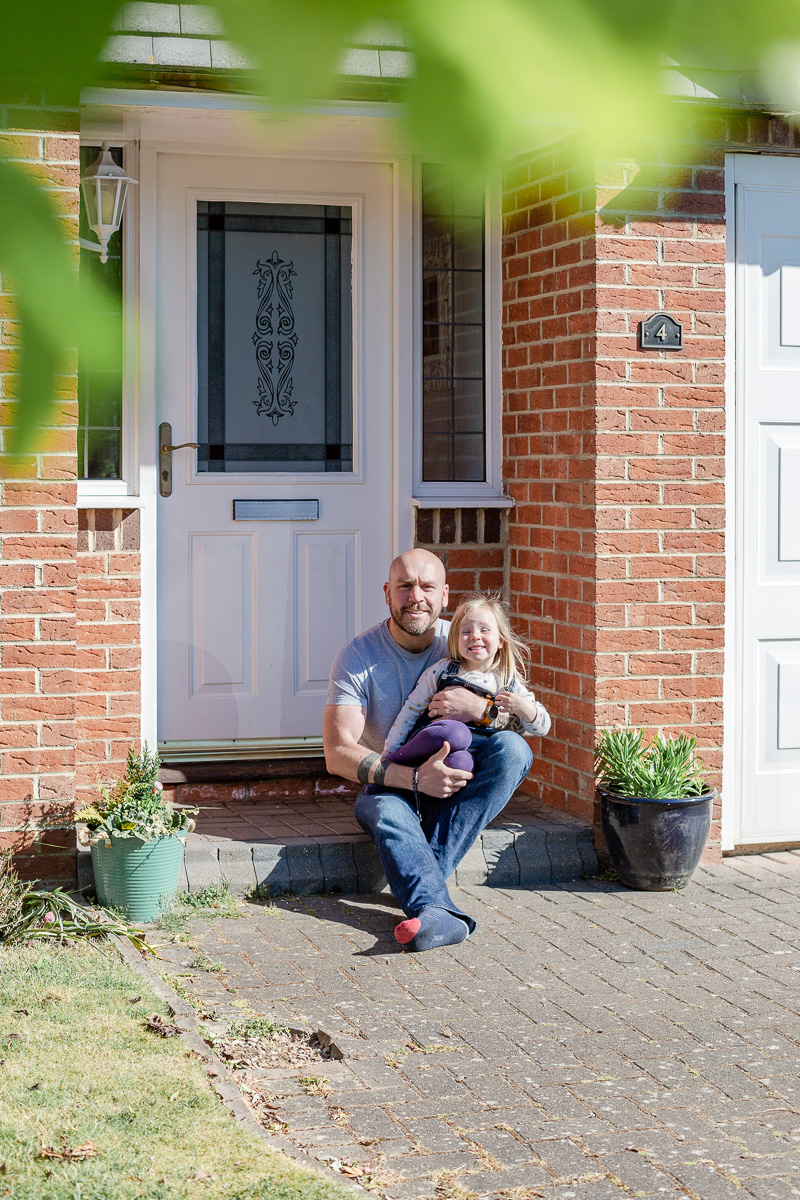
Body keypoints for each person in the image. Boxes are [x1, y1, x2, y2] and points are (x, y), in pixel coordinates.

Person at [324, 549, 546, 953]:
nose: (416, 597)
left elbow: (526, 720)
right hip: (391, 786)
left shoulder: (467, 638)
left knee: (513, 749)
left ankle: (425, 887)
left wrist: (483, 709)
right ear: (388, 593)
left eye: (427, 586)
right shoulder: (358, 658)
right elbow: (338, 751)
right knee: (387, 812)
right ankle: (436, 910)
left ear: (445, 595)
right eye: (405, 586)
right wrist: (412, 778)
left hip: (455, 783)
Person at [381, 592, 550, 783]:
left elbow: (543, 727)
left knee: (462, 763)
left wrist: (524, 707)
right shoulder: (442, 671)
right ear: (455, 639)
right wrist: (389, 753)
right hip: (434, 746)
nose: (475, 636)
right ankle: (399, 763)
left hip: (473, 756)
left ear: (501, 640)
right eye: (466, 631)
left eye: (484, 630)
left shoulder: (508, 683)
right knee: (456, 733)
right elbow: (410, 711)